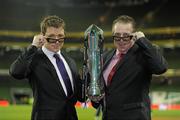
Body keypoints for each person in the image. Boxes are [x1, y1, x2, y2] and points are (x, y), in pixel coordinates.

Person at [93, 15, 168, 120]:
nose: (121, 40)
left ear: (134, 35)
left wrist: (143, 40)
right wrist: (96, 98)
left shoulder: (143, 53)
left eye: (126, 36)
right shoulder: (106, 57)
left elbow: (161, 67)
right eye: (117, 35)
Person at [9, 15, 83, 120]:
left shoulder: (70, 61)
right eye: (51, 37)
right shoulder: (34, 58)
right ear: (42, 36)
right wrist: (33, 47)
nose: (57, 41)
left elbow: (80, 96)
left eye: (60, 36)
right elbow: (15, 72)